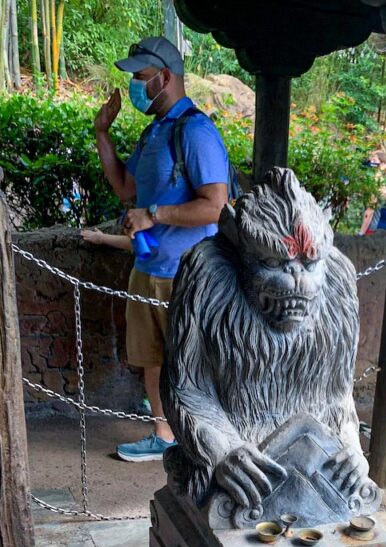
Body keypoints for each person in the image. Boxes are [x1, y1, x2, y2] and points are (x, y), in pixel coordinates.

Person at [93, 36, 229, 462]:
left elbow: (215, 205)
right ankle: (164, 434)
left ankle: (203, 442)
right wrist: (102, 134)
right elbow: (124, 188)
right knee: (152, 359)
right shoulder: (156, 131)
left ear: (165, 77)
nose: (135, 85)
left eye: (140, 77)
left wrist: (153, 215)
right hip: (148, 267)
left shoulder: (197, 131)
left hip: (186, 275)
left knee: (190, 363)